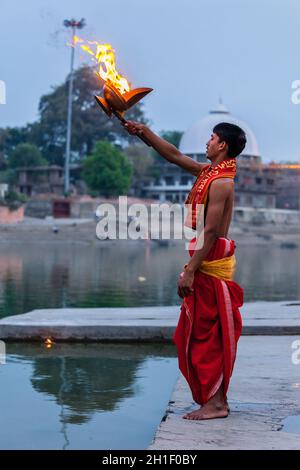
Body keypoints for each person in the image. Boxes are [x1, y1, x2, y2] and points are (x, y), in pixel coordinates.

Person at [124, 120, 246, 420]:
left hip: (208, 262)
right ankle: (213, 400)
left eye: (212, 138)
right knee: (192, 335)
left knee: (207, 337)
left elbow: (213, 230)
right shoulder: (209, 173)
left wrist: (190, 270)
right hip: (204, 261)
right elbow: (175, 155)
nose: (207, 142)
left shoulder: (221, 182)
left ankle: (217, 404)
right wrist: (144, 132)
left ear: (222, 146)